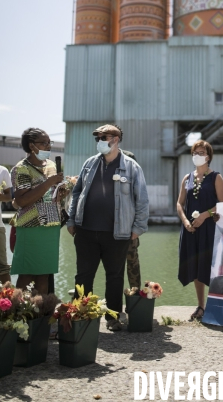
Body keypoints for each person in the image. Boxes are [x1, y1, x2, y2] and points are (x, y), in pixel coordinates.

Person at [67, 124, 149, 331]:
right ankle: (81, 315)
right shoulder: (89, 164)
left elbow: (142, 200)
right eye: (98, 138)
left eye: (104, 137)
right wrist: (72, 220)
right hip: (86, 230)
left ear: (116, 139)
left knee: (114, 275)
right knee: (83, 275)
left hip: (117, 232)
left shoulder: (131, 167)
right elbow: (77, 193)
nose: (100, 141)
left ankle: (113, 317)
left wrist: (138, 227)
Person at [177, 140, 223, 321]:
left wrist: (205, 215)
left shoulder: (216, 177)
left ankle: (216, 306)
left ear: (208, 156)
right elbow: (179, 203)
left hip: (210, 229)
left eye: (201, 152)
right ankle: (201, 306)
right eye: (194, 152)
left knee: (212, 267)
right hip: (191, 230)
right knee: (196, 267)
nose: (197, 155)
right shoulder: (187, 178)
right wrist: (185, 221)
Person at [10, 128, 64, 294]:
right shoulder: (21, 168)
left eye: (49, 142)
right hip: (31, 227)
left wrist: (61, 192)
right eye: (44, 142)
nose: (48, 146)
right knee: (27, 274)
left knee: (44, 275)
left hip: (51, 226)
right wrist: (48, 183)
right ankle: (18, 315)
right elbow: (22, 200)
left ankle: (41, 314)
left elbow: (50, 195)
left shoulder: (51, 166)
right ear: (31, 145)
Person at [123, 149, 141, 290]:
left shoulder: (136, 180)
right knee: (115, 267)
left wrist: (136, 228)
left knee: (132, 263)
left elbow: (140, 204)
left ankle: (135, 297)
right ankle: (114, 300)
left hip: (129, 230)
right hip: (112, 229)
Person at [0, 142, 12, 284]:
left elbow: (10, 196)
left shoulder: (2, 171)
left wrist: (0, 197)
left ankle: (8, 302)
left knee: (2, 267)